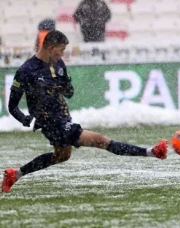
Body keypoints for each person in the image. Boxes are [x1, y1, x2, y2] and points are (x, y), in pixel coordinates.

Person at [2, 30, 167, 193]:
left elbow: (68, 92)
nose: (63, 55)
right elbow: (12, 106)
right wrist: (24, 118)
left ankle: (15, 174)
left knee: (62, 156)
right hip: (49, 122)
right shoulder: (26, 71)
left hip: (63, 116)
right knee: (99, 140)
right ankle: (151, 152)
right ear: (51, 48)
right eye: (61, 50)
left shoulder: (58, 64)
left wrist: (66, 88)